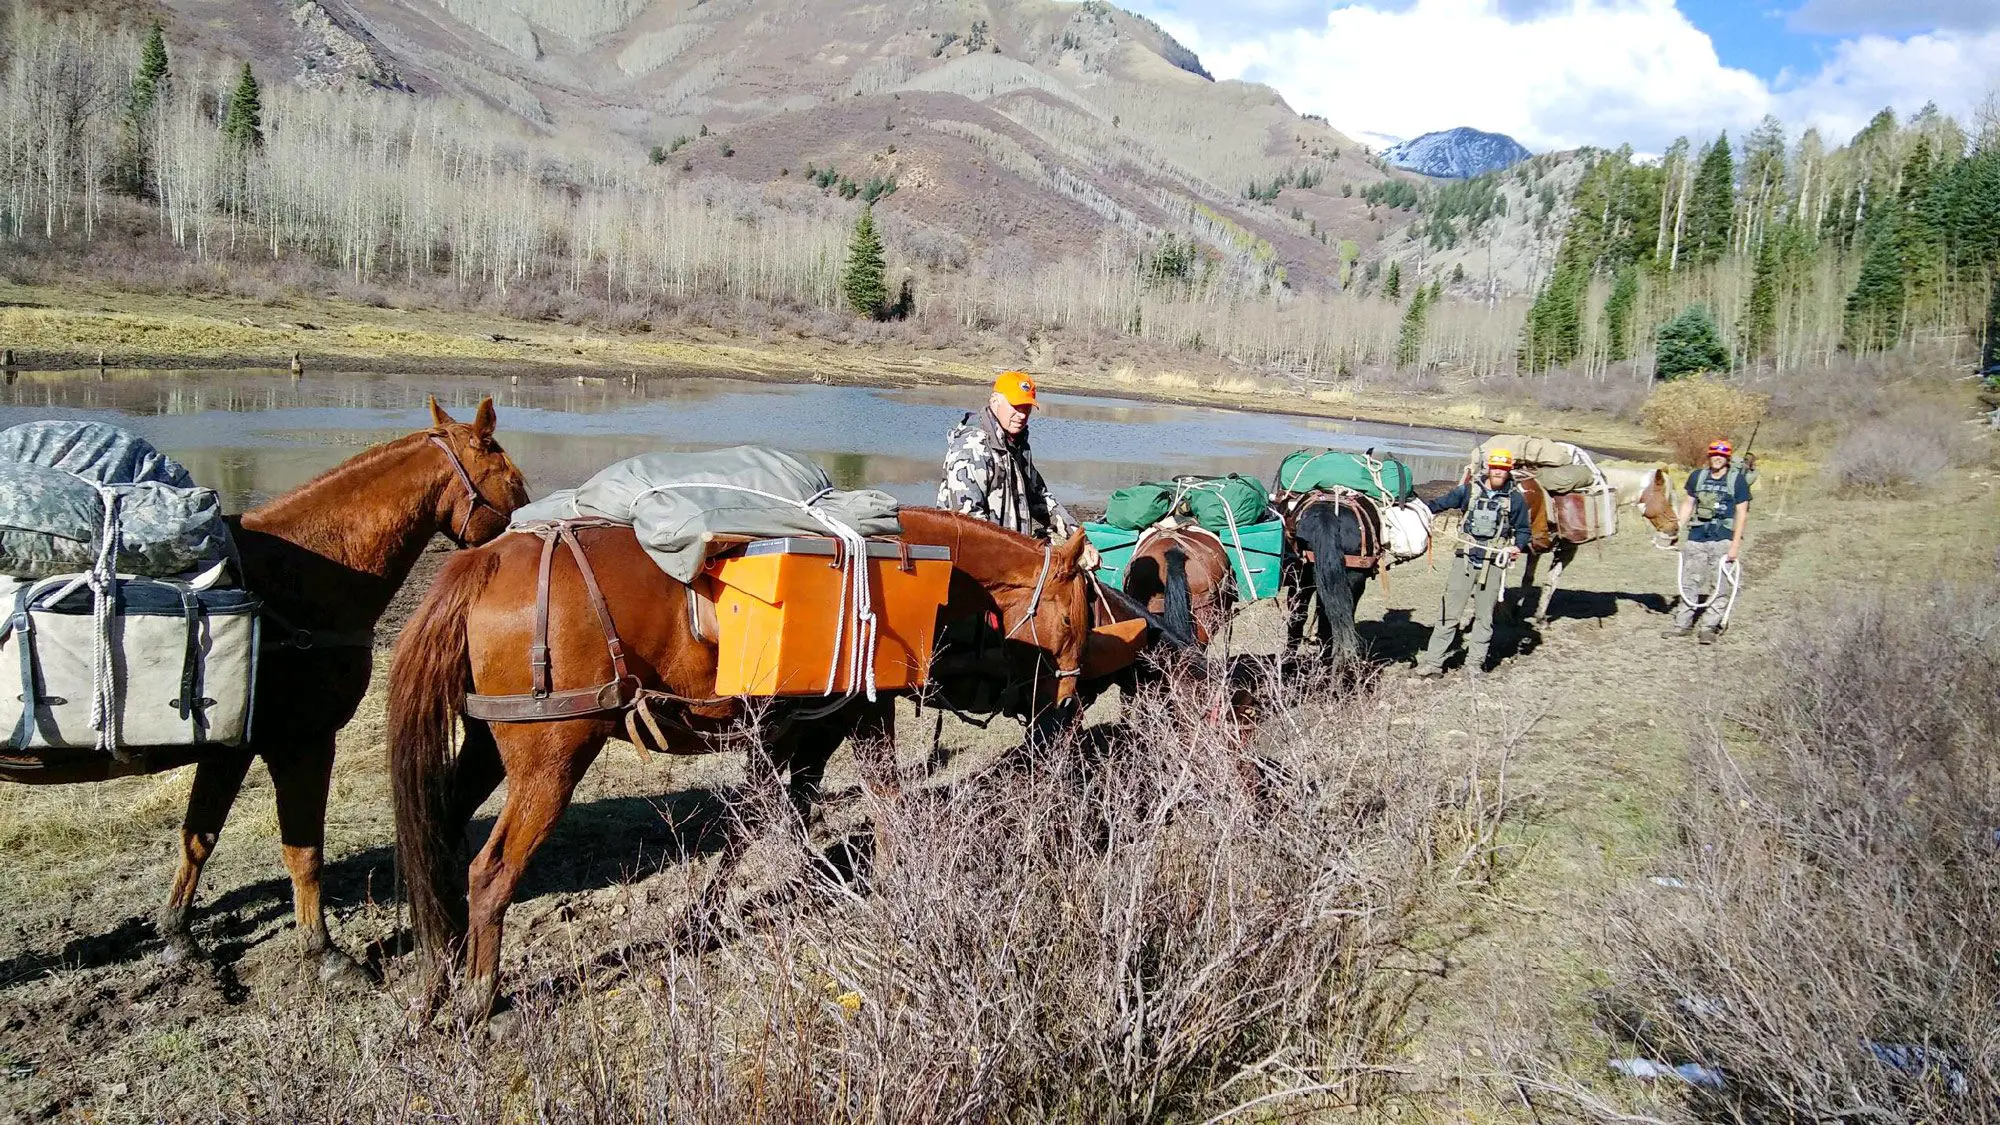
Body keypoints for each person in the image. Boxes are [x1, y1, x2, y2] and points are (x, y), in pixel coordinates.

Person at [1414, 449, 1533, 680]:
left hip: (1494, 563)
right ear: (1489, 468)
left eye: (1504, 469)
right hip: (1464, 560)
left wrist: (1516, 546)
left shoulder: (1516, 499)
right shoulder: (1468, 490)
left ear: (1509, 472)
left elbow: (1524, 530)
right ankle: (1433, 663)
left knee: (1484, 616)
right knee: (1449, 613)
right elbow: (1438, 504)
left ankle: (1474, 664)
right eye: (1496, 468)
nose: (1499, 472)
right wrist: (1415, 510)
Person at [938, 372, 1089, 554]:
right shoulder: (971, 448)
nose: (1022, 415)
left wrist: (1081, 542)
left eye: (1027, 408)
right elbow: (969, 522)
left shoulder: (1016, 448)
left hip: (1008, 560)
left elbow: (1041, 500)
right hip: (970, 563)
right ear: (995, 401)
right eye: (1016, 407)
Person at [1664, 439, 1750, 644]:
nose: (1717, 459)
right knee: (1688, 583)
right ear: (1709, 456)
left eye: (1721, 456)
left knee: (1719, 585)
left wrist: (1735, 545)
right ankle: (1682, 625)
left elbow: (1742, 514)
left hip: (1722, 540)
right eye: (1713, 455)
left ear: (1727, 458)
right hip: (1696, 538)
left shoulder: (1737, 481)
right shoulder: (1697, 476)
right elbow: (1688, 504)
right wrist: (1677, 530)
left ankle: (1708, 628)